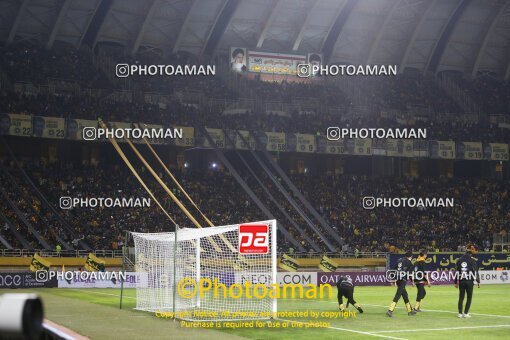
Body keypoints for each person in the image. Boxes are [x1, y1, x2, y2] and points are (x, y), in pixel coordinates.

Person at [387, 251, 416, 317]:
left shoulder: (399, 260)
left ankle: (410, 311)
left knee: (405, 295)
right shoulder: (409, 262)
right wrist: (413, 282)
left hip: (398, 280)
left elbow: (393, 270)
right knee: (398, 294)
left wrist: (392, 280)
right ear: (411, 257)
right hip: (403, 280)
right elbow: (410, 273)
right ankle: (390, 310)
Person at [454, 250, 480, 318]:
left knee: (461, 297)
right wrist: (478, 281)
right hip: (469, 281)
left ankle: (460, 313)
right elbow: (475, 271)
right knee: (469, 297)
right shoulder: (472, 260)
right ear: (470, 254)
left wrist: (455, 282)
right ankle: (465, 313)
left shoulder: (459, 260)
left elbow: (456, 271)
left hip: (461, 281)